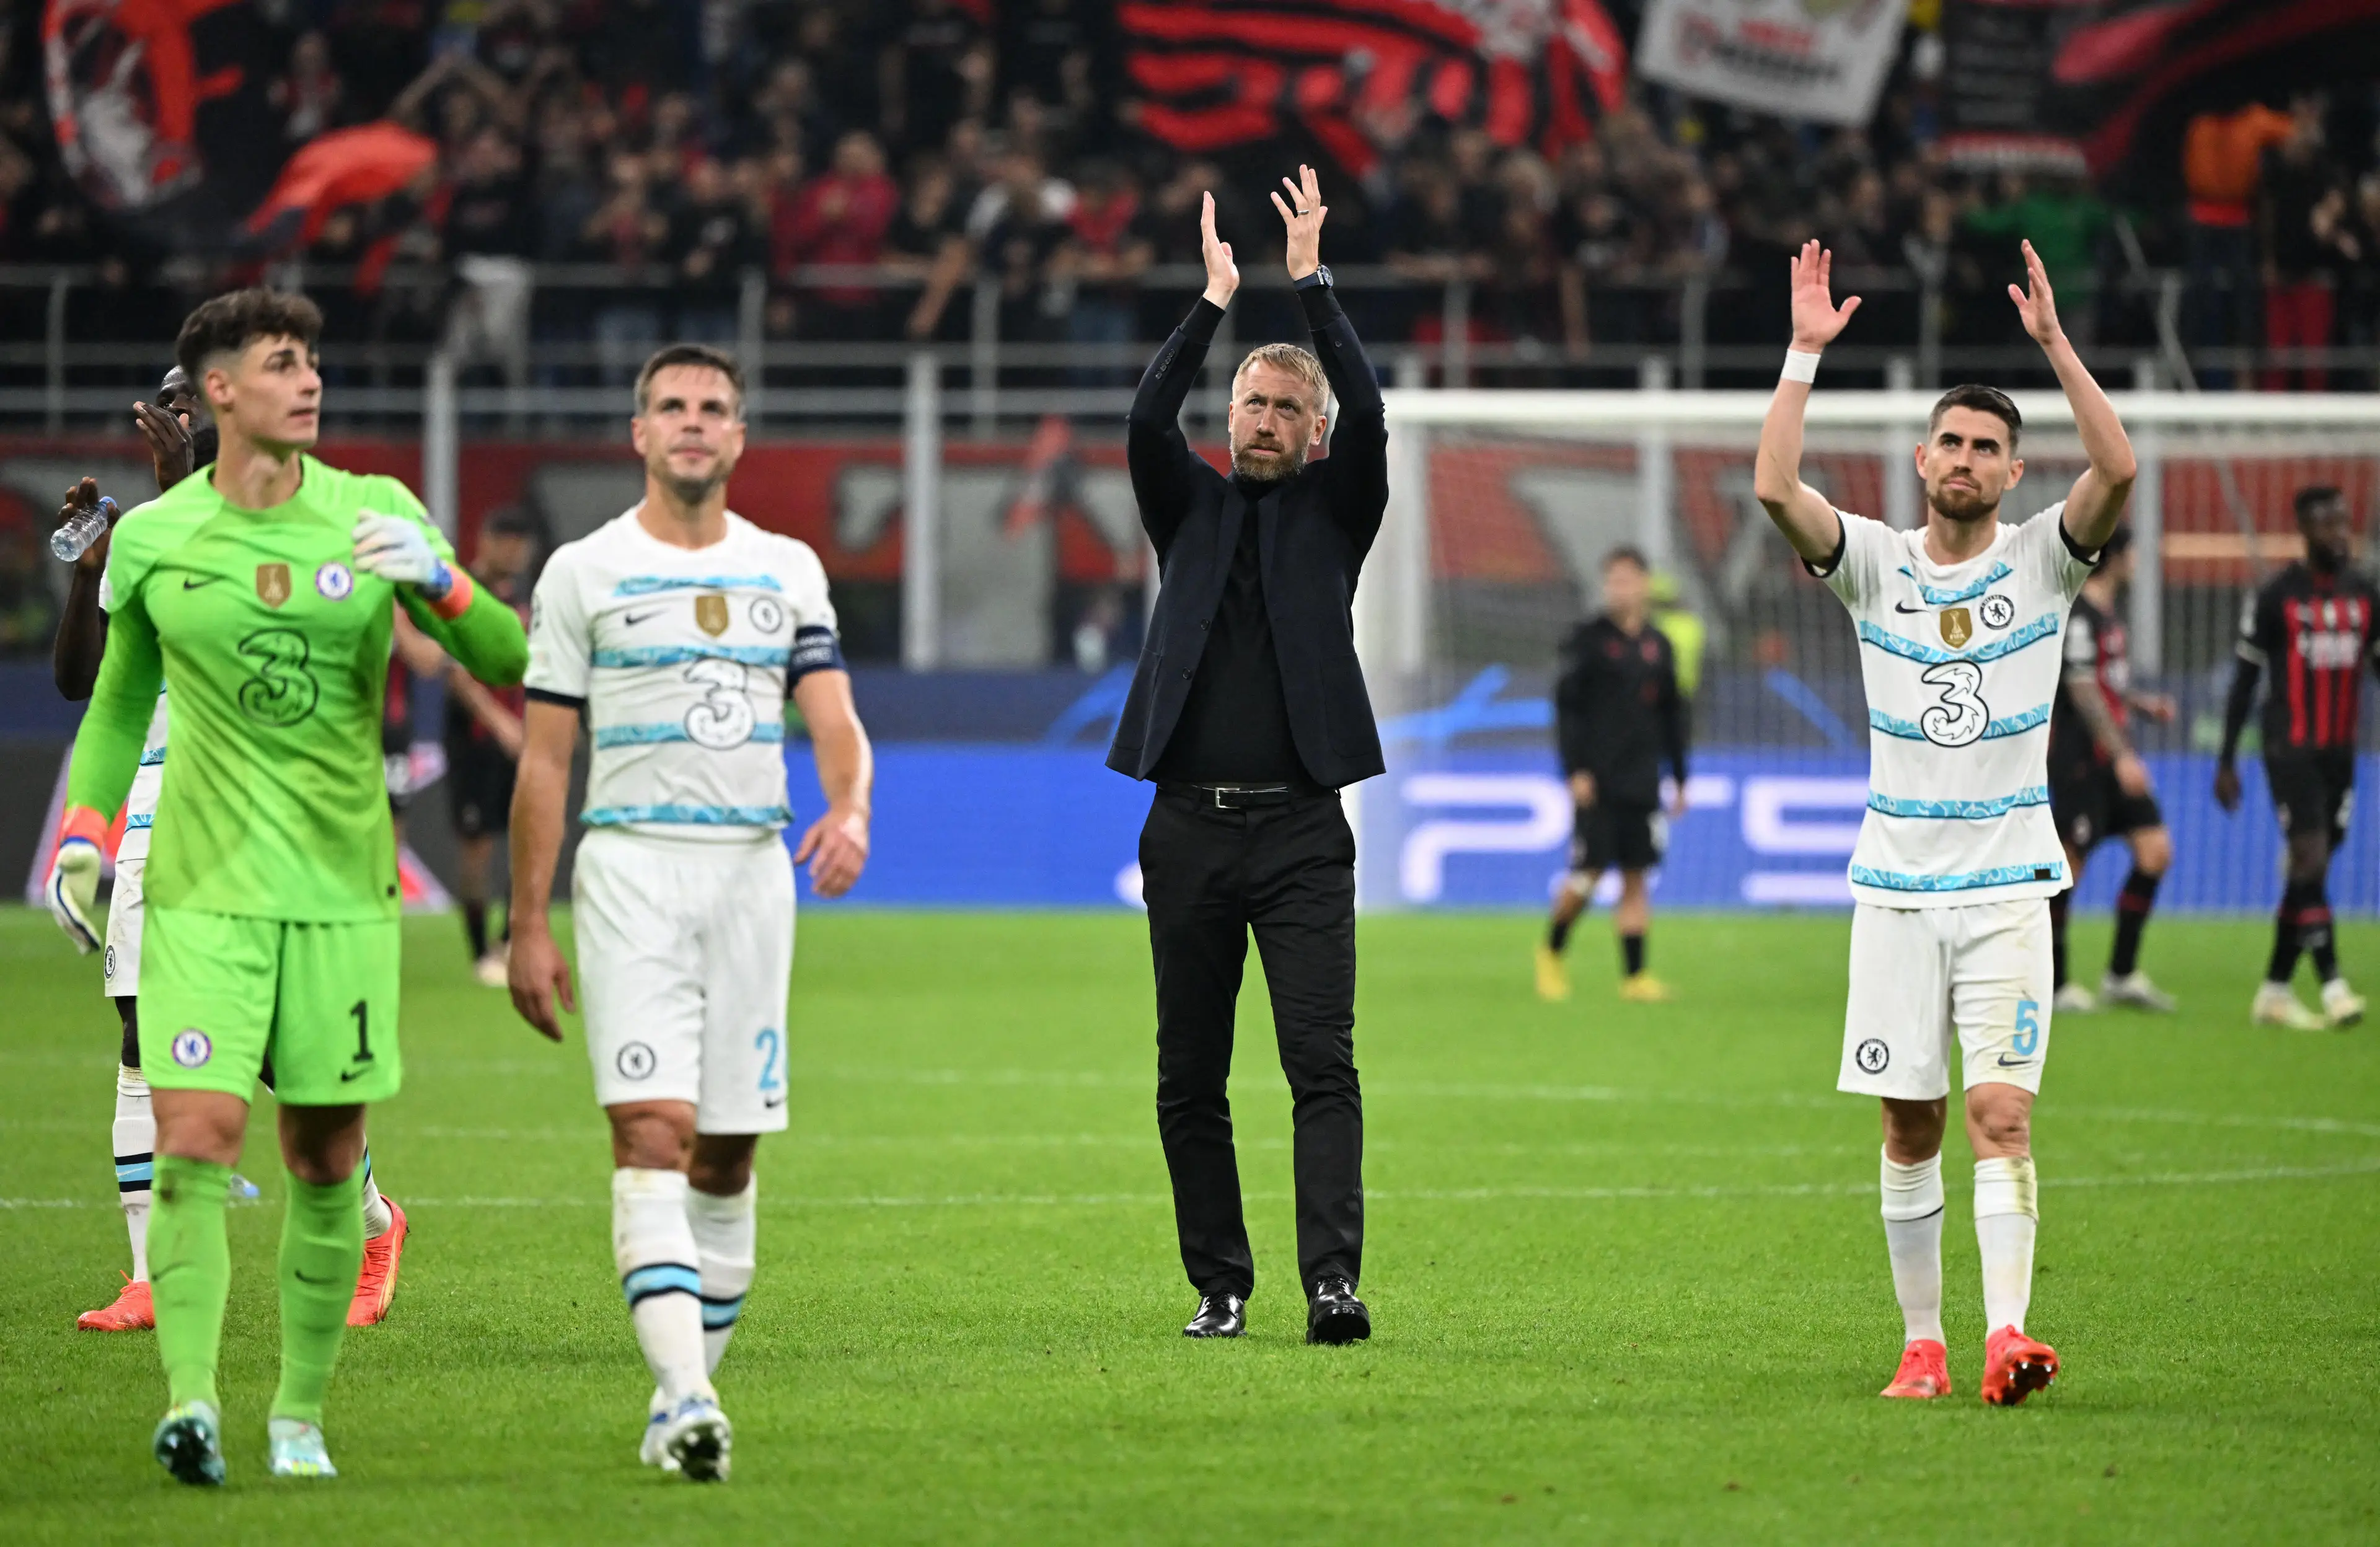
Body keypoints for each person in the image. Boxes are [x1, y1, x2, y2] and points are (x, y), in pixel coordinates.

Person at [43, 289, 527, 1483]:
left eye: (312, 359)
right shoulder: (154, 538)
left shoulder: (375, 511)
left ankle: (298, 1415)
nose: (309, 378)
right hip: (195, 874)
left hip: (336, 888)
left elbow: (510, 656)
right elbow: (111, 701)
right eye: (280, 362)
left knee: (317, 1148)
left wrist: (444, 583)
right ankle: (192, 1402)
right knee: (193, 1127)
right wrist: (84, 832)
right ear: (217, 391)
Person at [1753, 239, 2135, 1407]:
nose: (1965, 459)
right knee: (1911, 1125)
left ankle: (2007, 1334)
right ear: (1922, 459)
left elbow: (2119, 467)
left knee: (2001, 1114)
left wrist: (2055, 345)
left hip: (2012, 891)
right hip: (1897, 896)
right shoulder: (1873, 563)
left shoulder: (2044, 564)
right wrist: (1804, 354)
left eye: (1986, 447)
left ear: (2014, 472)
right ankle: (1922, 1344)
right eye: (1951, 442)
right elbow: (1775, 489)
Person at [506, 343, 873, 1482]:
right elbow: (544, 762)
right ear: (640, 433)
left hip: (751, 874)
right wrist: (528, 923)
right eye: (672, 405)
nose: (694, 422)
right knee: (650, 1133)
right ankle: (690, 1397)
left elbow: (834, 717)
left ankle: (682, 1403)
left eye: (714, 407)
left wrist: (851, 808)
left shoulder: (787, 568)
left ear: (740, 436)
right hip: (630, 870)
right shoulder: (583, 572)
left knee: (725, 1155)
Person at [47, 364, 412, 1336]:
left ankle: (375, 1223)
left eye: (191, 401)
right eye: (167, 400)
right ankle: (150, 1277)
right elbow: (80, 682)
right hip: (159, 808)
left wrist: (178, 502)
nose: (174, 414)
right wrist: (91, 576)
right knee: (141, 1033)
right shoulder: (147, 534)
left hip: (265, 812)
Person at [1109, 167, 1388, 1346]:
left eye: (1287, 409)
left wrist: (1311, 284)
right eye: (1252, 404)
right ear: (1228, 419)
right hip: (1186, 831)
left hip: (1302, 835)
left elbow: (1374, 414)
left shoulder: (1338, 510)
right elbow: (1142, 423)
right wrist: (1214, 300)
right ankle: (1220, 1284)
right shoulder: (1189, 508)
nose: (1266, 420)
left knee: (1321, 1064)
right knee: (1190, 1075)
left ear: (1313, 433)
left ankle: (1332, 1284)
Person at [2215, 485, 2378, 1030]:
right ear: (2304, 529)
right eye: (2328, 524)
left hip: (2340, 753)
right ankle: (2333, 986)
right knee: (2309, 858)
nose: (2340, 533)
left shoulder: (2365, 593)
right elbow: (2244, 680)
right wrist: (2226, 760)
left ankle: (2275, 991)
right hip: (2289, 748)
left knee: (2312, 867)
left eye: (2343, 522)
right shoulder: (2276, 596)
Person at [1536, 547, 1690, 1003]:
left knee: (1637, 876)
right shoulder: (1588, 641)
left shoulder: (1659, 645)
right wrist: (1575, 770)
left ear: (1644, 584)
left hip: (1642, 780)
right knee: (1589, 874)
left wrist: (1680, 776)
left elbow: (1672, 714)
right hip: (1598, 780)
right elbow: (1568, 710)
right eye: (1612, 581)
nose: (1618, 589)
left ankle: (1635, 976)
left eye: (1626, 580)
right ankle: (1551, 951)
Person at [2045, 526, 2179, 1015]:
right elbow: (2082, 692)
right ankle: (2054, 983)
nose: (2137, 560)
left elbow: (2102, 683)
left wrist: (2140, 705)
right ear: (2116, 557)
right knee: (2065, 870)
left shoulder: (2105, 615)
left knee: (2155, 851)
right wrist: (2122, 755)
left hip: (2110, 758)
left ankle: (2121, 975)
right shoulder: (2079, 614)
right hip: (2082, 763)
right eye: (2132, 551)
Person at [442, 506, 536, 984]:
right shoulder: (461, 591)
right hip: (475, 741)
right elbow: (456, 671)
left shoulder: (523, 599)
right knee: (477, 847)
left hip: (522, 740)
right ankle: (480, 951)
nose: (516, 554)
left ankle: (509, 939)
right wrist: (500, 724)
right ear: (487, 541)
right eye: (509, 543)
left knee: (527, 838)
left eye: (522, 545)